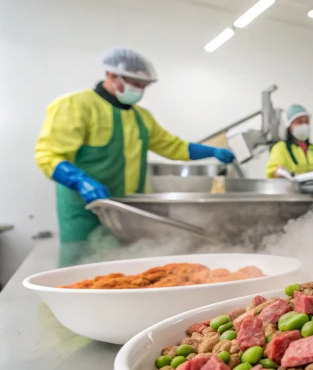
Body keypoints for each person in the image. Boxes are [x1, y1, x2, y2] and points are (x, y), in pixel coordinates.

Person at [34, 47, 235, 248]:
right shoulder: (75, 106)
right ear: (112, 76)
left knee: (126, 264)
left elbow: (173, 146)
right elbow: (48, 155)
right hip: (86, 209)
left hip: (127, 212)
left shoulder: (142, 117)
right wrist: (80, 181)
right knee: (82, 266)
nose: (139, 91)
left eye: (143, 86)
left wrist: (212, 152)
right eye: (135, 84)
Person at [266, 104, 313, 178]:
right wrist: (280, 172)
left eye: (306, 121)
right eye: (299, 122)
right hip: (291, 188)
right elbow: (273, 171)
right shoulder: (280, 148)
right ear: (289, 127)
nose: (304, 125)